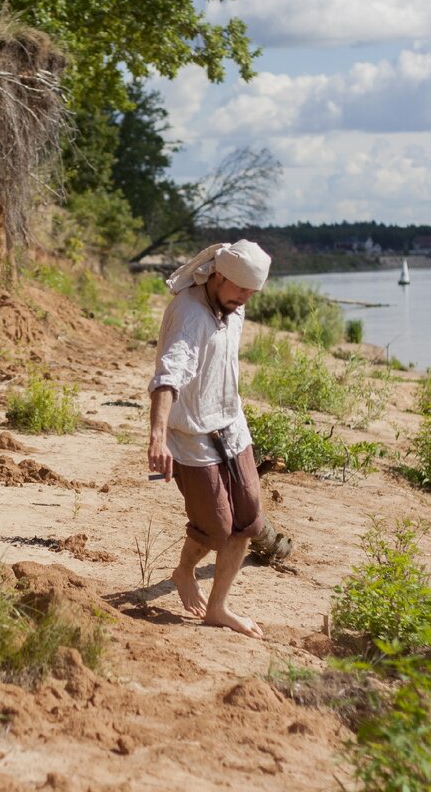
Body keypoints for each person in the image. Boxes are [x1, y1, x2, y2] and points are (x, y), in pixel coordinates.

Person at [147, 240, 292, 639]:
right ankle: (184, 571)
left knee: (246, 519)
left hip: (232, 426)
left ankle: (218, 607)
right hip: (190, 436)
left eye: (252, 293)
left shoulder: (233, 306)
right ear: (218, 275)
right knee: (217, 527)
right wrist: (158, 436)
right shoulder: (189, 315)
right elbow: (167, 376)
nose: (245, 299)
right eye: (240, 290)